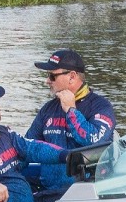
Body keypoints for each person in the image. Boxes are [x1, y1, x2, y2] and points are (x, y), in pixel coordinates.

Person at [26, 49, 116, 190]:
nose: (47, 81)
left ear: (72, 77)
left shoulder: (101, 107)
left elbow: (95, 141)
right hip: (51, 192)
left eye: (52, 76)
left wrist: (71, 110)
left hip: (90, 194)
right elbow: (27, 146)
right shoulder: (48, 109)